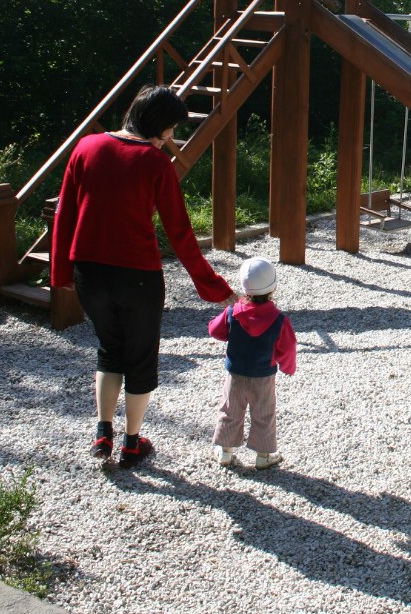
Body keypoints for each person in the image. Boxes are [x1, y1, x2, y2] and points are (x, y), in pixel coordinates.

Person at [52, 85, 235, 469]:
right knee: (140, 359)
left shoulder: (86, 147)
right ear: (160, 125)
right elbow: (180, 233)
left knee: (109, 349)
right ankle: (132, 443)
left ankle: (103, 433)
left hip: (89, 273)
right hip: (138, 277)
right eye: (171, 128)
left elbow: (65, 213)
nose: (171, 136)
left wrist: (61, 271)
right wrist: (214, 287)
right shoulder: (155, 163)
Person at [207, 257, 296, 470]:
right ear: (273, 288)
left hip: (235, 373)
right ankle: (263, 455)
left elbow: (215, 330)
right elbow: (288, 347)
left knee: (230, 409)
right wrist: (288, 367)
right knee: (264, 413)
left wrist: (230, 333)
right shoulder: (279, 320)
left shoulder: (232, 312)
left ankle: (225, 451)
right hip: (263, 375)